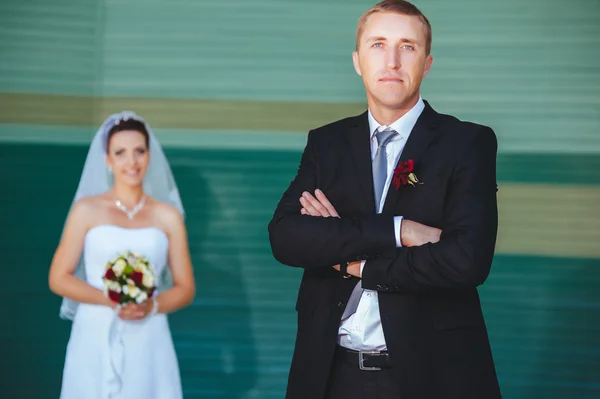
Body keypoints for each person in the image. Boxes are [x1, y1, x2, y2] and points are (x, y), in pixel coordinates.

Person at [268, 1, 501, 398]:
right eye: (378, 45)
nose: (392, 60)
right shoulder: (327, 143)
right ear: (358, 61)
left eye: (407, 47)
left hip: (433, 375)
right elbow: (287, 237)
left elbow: (466, 261)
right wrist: (399, 230)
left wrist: (353, 262)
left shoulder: (467, 143)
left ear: (426, 63)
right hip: (330, 374)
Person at [49, 111, 195, 399]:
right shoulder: (86, 210)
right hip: (94, 332)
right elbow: (58, 278)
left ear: (149, 156)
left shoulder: (168, 217)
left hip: (149, 333)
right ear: (107, 159)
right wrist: (111, 299)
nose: (132, 162)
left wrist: (148, 307)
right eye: (121, 152)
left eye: (139, 151)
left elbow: (185, 287)